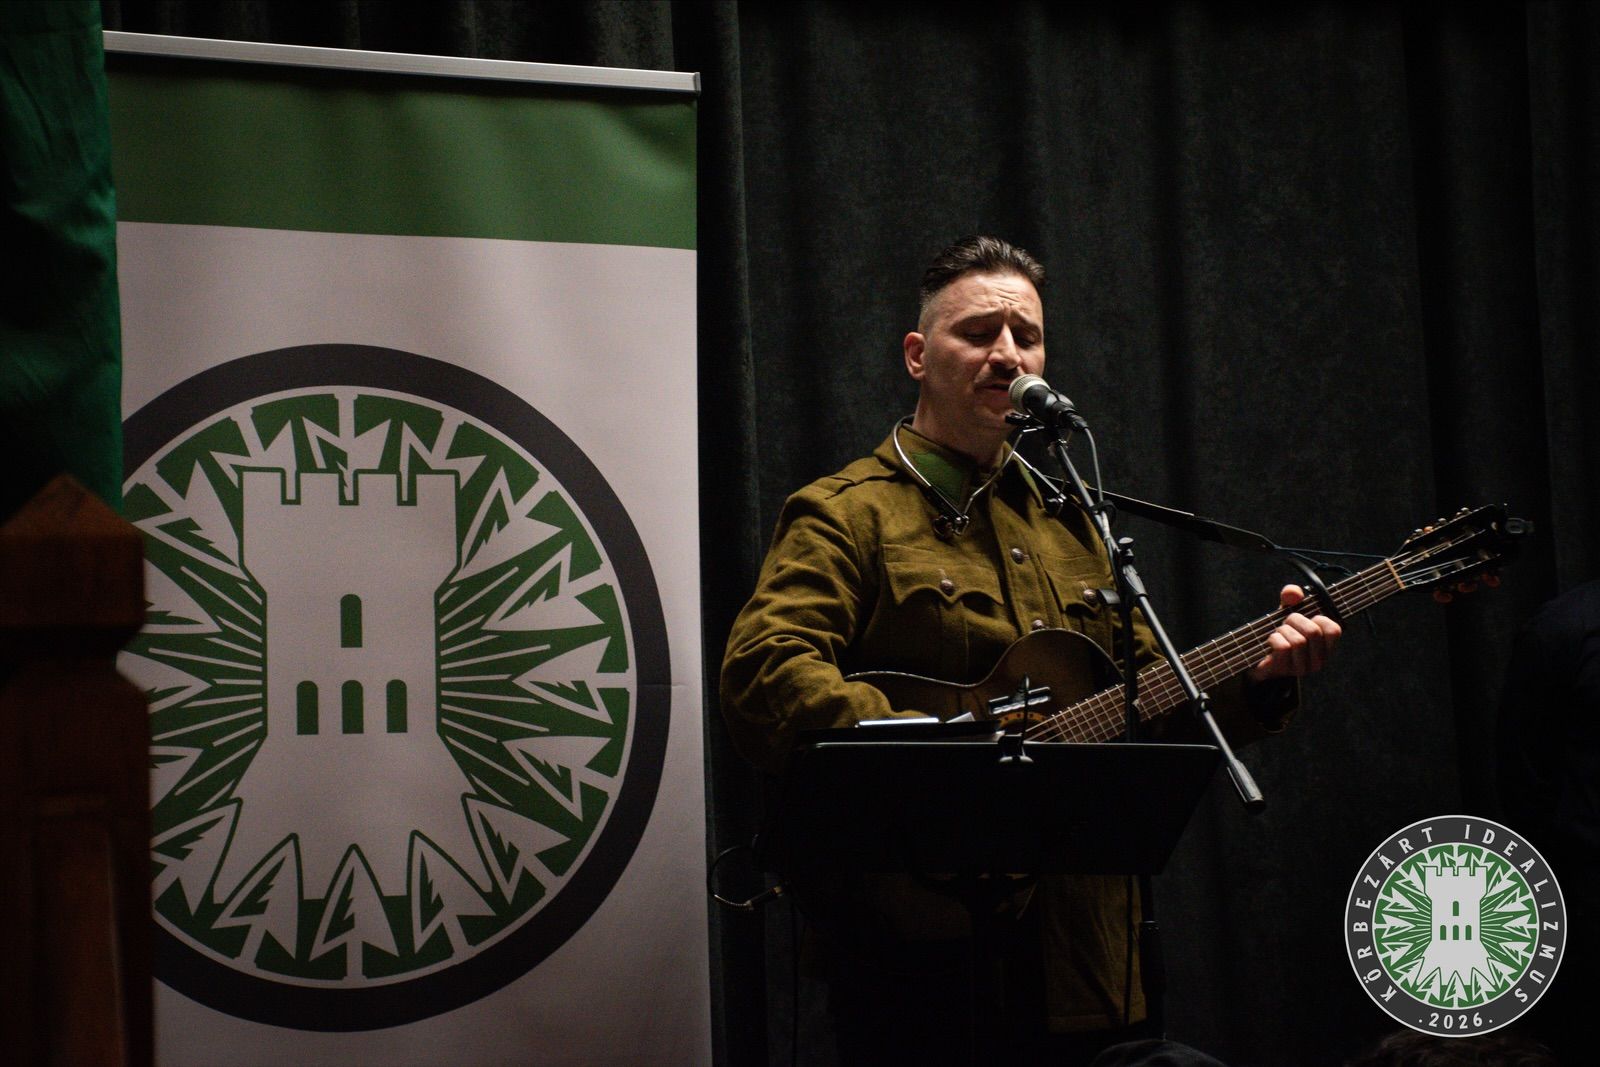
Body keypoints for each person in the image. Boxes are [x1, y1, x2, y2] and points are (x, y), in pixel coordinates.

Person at [720, 235, 1341, 1064]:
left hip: (1089, 961)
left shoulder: (1075, 521)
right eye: (979, 332)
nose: (1008, 354)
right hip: (919, 957)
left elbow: (1148, 700)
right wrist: (940, 755)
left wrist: (1258, 681)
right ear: (917, 355)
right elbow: (765, 672)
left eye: (1027, 336)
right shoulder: (847, 513)